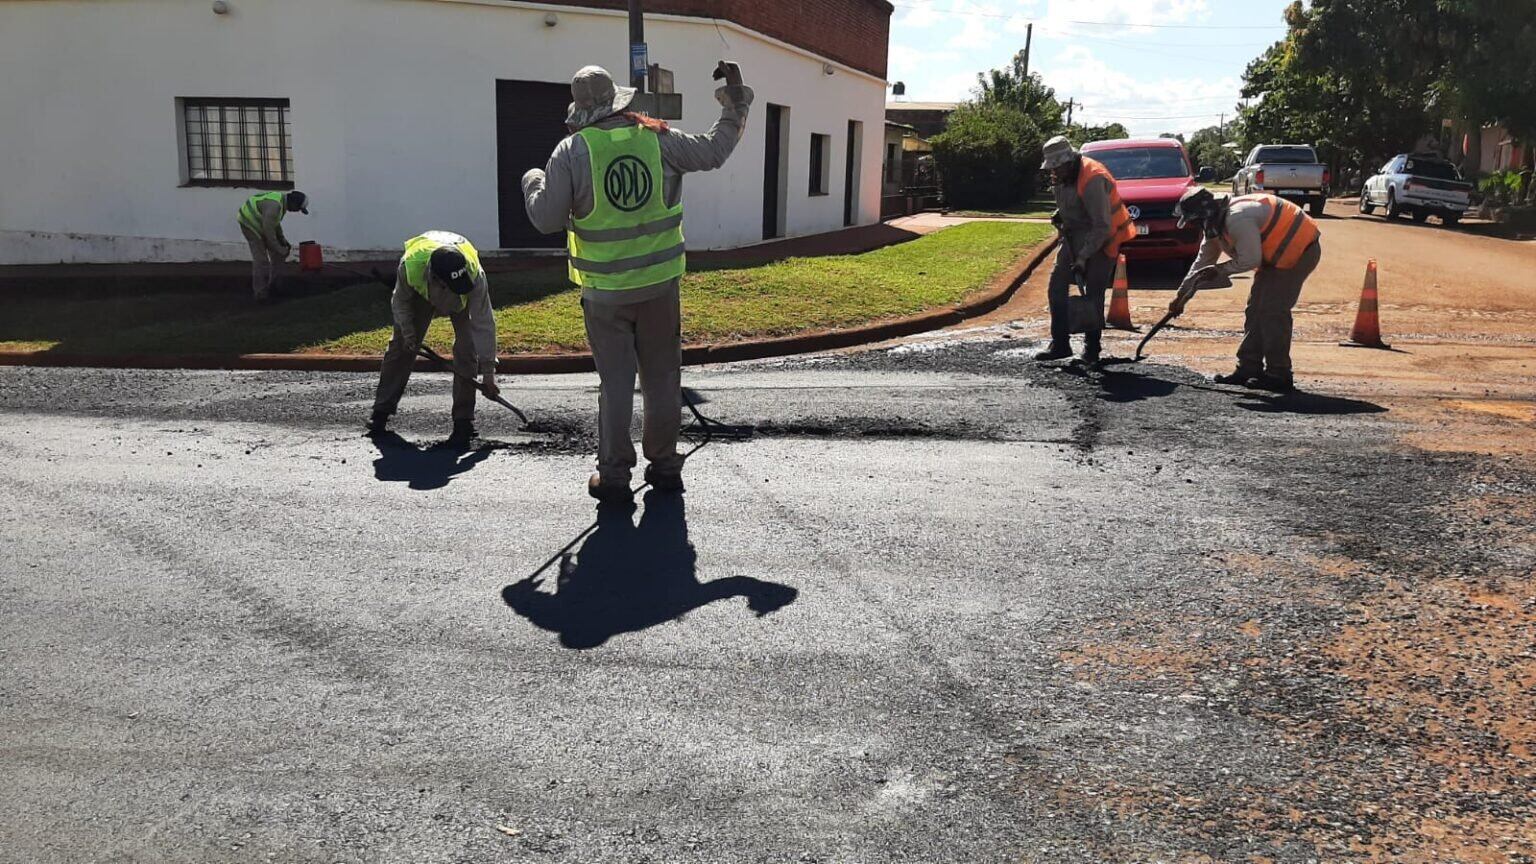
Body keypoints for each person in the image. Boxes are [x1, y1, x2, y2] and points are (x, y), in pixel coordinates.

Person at [521, 62, 753, 503]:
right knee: (663, 379)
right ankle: (664, 466)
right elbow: (715, 150)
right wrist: (735, 99)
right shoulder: (657, 138)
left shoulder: (570, 151)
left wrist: (532, 181)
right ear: (618, 102)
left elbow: (546, 219)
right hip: (659, 288)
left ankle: (613, 477)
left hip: (605, 294)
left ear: (581, 110)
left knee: (614, 385)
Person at [1171, 188, 1322, 393]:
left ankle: (1279, 374)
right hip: (1274, 257)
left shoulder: (1237, 218)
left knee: (1272, 310)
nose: (1197, 226)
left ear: (1205, 216)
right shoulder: (1216, 225)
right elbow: (1202, 262)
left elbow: (1251, 259)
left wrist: (1220, 270)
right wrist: (1181, 297)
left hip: (1299, 250)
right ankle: (1249, 368)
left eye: (1196, 221)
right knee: (1254, 310)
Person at [368, 231, 499, 444]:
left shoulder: (473, 275)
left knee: (467, 351)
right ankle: (381, 412)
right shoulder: (411, 267)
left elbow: (484, 323)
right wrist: (410, 335)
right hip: (422, 294)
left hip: (462, 302)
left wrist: (488, 375)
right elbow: (400, 303)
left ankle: (463, 421)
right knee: (400, 347)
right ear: (435, 279)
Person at [1037, 136, 1137, 365]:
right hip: (1074, 234)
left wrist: (1083, 258)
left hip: (1103, 238)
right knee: (1056, 287)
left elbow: (1102, 225)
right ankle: (1060, 344)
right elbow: (1071, 203)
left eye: (1056, 167)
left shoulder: (1092, 178)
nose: (1054, 172)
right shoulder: (1062, 176)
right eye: (1051, 168)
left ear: (1068, 161)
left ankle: (1092, 348)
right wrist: (1060, 214)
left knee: (1093, 293)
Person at [236, 190, 308, 302]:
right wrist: (280, 248)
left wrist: (283, 241)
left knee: (278, 254)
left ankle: (275, 287)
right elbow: (269, 232)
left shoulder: (281, 204)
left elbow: (275, 224)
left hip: (262, 222)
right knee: (261, 259)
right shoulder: (274, 207)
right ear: (293, 203)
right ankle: (260, 294)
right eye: (298, 209)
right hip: (249, 223)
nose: (296, 211)